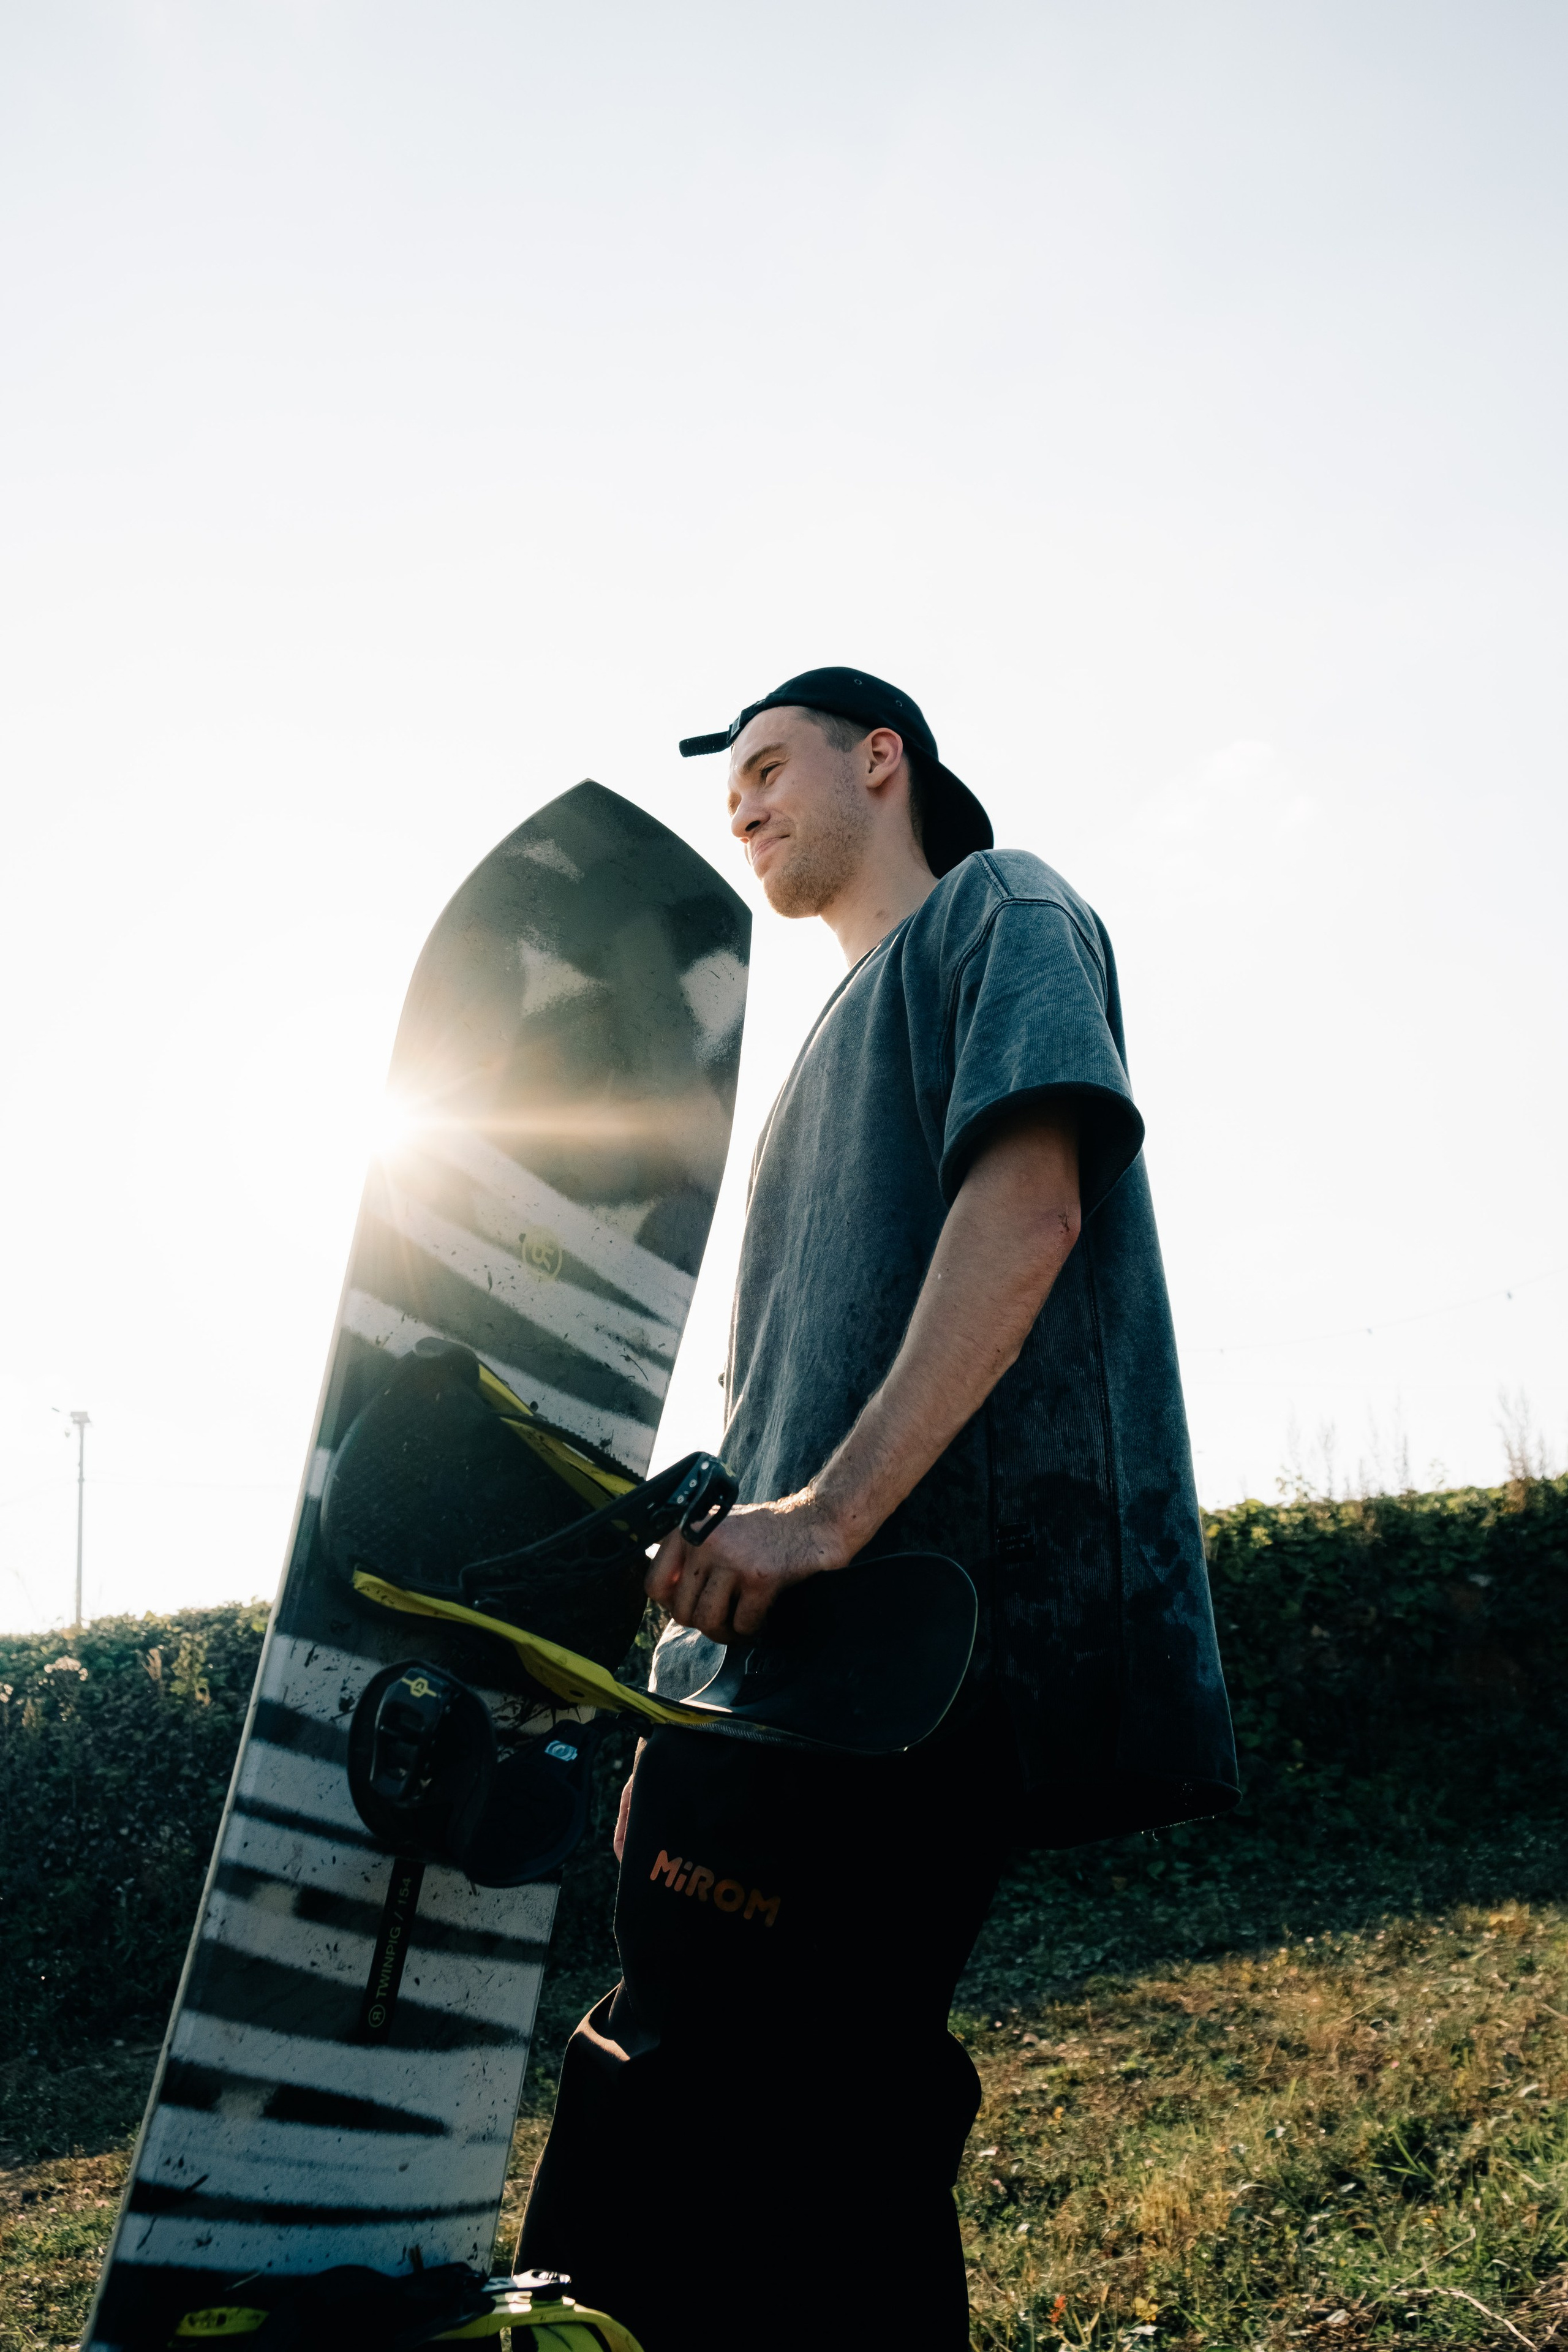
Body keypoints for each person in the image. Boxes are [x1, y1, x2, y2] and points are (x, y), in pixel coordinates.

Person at [516, 667, 1238, 2351]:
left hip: (918, 1647)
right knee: (733, 2090)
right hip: (778, 1678)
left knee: (777, 2103)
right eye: (733, 790)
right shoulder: (804, 1071)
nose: (745, 806)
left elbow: (1035, 1206)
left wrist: (828, 1521)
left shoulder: (1002, 910)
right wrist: (691, 1678)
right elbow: (777, 1402)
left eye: (772, 767)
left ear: (884, 761)